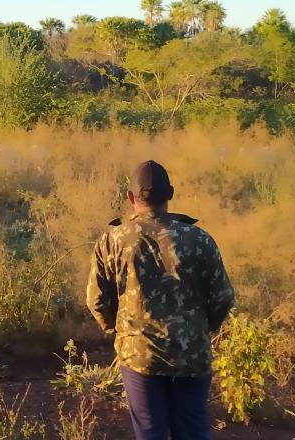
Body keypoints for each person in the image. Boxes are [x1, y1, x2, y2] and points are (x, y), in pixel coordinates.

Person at [86, 160, 235, 440]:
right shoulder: (200, 239)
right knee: (193, 431)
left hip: (140, 356)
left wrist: (118, 331)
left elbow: (97, 300)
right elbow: (223, 297)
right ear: (171, 194)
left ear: (131, 198)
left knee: (151, 431)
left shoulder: (113, 240)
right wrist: (201, 329)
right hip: (192, 355)